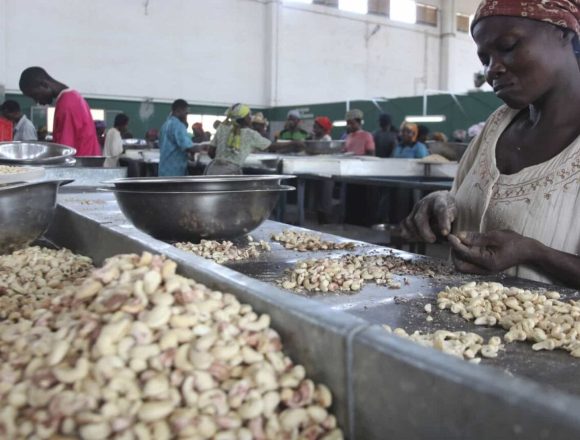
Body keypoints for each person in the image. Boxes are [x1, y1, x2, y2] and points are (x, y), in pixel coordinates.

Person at [401, 0, 580, 288]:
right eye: (484, 59)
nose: (491, 71)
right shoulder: (496, 126)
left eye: (508, 46)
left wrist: (534, 253)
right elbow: (460, 200)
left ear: (564, 35)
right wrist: (440, 204)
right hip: (456, 328)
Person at [18, 67, 101, 156]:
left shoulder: (66, 105)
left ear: (44, 84)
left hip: (79, 167)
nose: (36, 101)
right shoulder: (73, 97)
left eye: (35, 95)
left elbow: (64, 151)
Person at [205, 104, 272, 175]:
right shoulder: (250, 134)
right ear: (245, 118)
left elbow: (210, 153)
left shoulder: (222, 128)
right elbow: (270, 146)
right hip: (231, 172)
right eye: (249, 115)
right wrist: (285, 144)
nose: (250, 118)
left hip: (212, 169)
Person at [159, 99, 202, 176]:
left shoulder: (165, 125)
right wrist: (204, 147)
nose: (186, 115)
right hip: (175, 171)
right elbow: (188, 147)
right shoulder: (178, 126)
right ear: (178, 111)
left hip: (163, 169)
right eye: (186, 113)